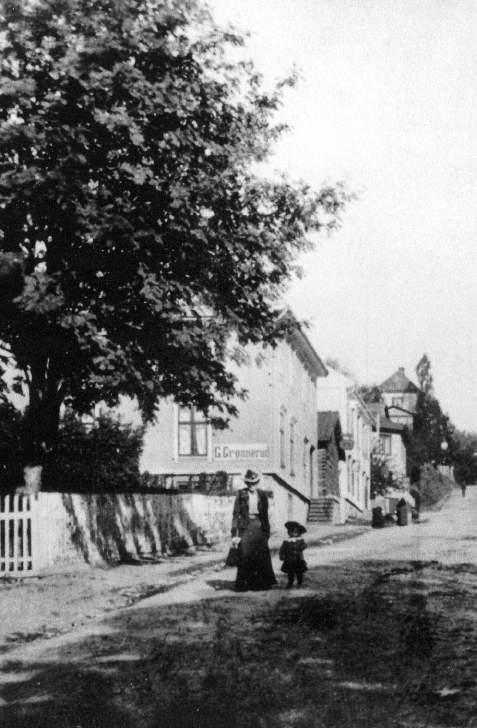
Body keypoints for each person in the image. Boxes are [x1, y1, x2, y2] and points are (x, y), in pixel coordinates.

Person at [231, 469, 276, 591]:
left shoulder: (262, 495)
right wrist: (234, 534)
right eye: (249, 483)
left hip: (258, 525)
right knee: (245, 553)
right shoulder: (241, 494)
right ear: (246, 483)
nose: (252, 485)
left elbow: (265, 515)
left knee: (261, 553)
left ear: (257, 483)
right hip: (245, 526)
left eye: (254, 483)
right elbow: (236, 514)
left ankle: (261, 583)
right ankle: (244, 584)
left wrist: (266, 531)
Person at [279, 521, 307, 588]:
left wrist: (300, 548)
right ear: (288, 532)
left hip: (298, 559)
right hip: (289, 559)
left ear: (299, 533)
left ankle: (299, 582)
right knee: (290, 572)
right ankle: (290, 582)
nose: (293, 533)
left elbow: (304, 545)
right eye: (291, 532)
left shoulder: (300, 540)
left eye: (295, 532)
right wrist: (282, 555)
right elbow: (282, 549)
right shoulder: (286, 541)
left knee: (299, 572)